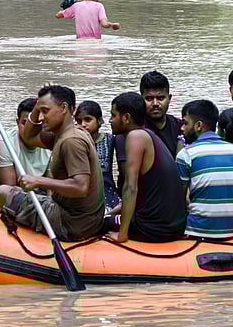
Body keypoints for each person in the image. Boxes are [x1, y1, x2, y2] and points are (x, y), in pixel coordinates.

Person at [0, 85, 105, 241]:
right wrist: (38, 105)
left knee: (2, 192)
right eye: (39, 111)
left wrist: (39, 181)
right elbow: (28, 136)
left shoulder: (71, 141)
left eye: (45, 111)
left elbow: (81, 187)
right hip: (81, 219)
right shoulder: (61, 134)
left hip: (72, 224)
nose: (40, 118)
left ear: (64, 108)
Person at [105, 92, 187, 243]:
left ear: (126, 118)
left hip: (153, 229)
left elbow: (131, 188)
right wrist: (111, 212)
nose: (110, 120)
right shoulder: (149, 135)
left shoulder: (135, 137)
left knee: (99, 224)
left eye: (113, 115)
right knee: (107, 218)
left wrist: (122, 235)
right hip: (173, 226)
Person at [176, 100, 233, 239]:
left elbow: (178, 199)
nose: (182, 128)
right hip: (232, 230)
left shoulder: (186, 154)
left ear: (198, 126)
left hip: (198, 230)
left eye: (185, 123)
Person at [115, 71, 183, 194]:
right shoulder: (130, 130)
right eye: (149, 99)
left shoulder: (180, 127)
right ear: (141, 100)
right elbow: (129, 177)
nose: (155, 104)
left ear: (170, 98)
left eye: (161, 98)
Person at [0, 97, 52, 190]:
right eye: (24, 123)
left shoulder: (51, 140)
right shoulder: (5, 142)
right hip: (19, 193)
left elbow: (51, 185)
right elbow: (9, 189)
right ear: (17, 122)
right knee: (4, 190)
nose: (29, 128)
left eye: (36, 123)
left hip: (40, 192)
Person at [75, 100, 120, 211]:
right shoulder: (74, 142)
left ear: (99, 121)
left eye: (88, 120)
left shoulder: (110, 140)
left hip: (108, 193)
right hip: (83, 195)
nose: (83, 125)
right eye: (79, 121)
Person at [55, 0, 121, 40]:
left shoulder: (76, 6)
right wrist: (114, 25)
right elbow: (105, 24)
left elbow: (58, 15)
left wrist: (68, 5)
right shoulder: (99, 6)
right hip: (95, 42)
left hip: (80, 42)